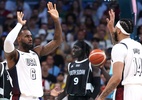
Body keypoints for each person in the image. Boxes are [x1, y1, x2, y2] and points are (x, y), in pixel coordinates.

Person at [4, 2, 63, 100]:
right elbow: (8, 41)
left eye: (31, 36)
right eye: (26, 36)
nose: (30, 38)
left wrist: (56, 21)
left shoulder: (36, 52)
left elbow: (57, 41)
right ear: (18, 39)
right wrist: (19, 25)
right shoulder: (14, 55)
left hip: (37, 98)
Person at [98, 9, 142, 100]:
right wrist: (111, 30)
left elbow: (117, 78)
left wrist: (101, 97)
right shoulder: (138, 46)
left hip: (126, 91)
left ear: (118, 31)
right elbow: (120, 48)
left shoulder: (120, 47)